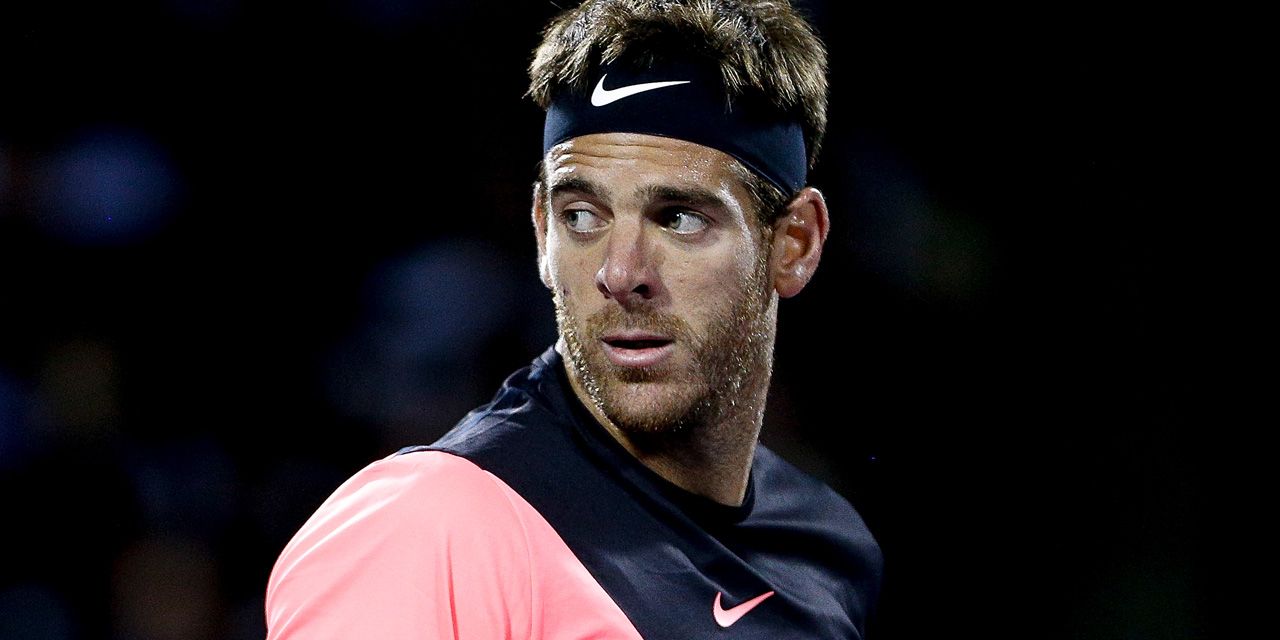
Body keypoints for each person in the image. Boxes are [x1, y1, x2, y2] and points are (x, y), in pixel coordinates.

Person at [264, 1, 882, 637]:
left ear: (794, 244)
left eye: (679, 218)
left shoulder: (827, 547)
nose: (620, 272)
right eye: (582, 216)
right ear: (542, 232)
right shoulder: (426, 529)